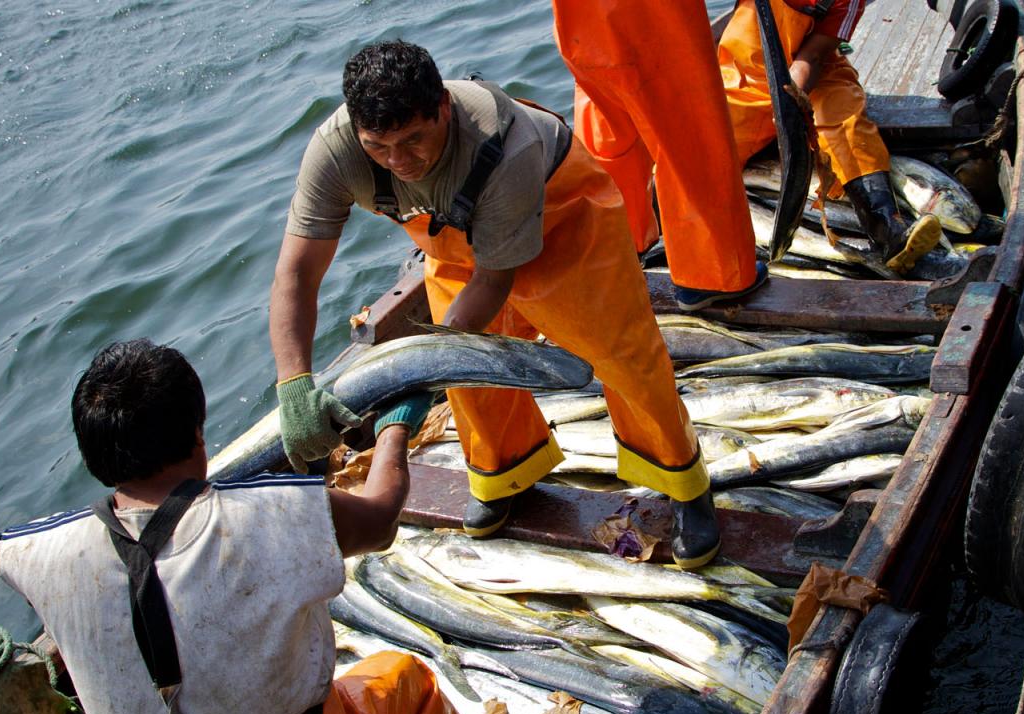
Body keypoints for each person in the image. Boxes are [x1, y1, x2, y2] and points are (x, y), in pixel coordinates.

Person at [269, 40, 722, 568]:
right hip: (455, 240)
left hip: (561, 219)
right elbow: (297, 271)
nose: (399, 162)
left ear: (443, 107)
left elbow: (494, 279)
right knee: (468, 376)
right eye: (379, 148)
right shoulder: (335, 150)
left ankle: (685, 483)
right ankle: (508, 475)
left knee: (623, 355)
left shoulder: (506, 145)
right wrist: (293, 383)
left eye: (414, 140)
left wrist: (423, 373)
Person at [0, 339, 485, 714]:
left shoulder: (34, 555)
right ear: (198, 435)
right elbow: (379, 521)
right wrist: (395, 429)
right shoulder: (271, 512)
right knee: (406, 685)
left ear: (96, 460)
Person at [550, 1, 768, 311]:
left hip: (580, 24)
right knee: (690, 137)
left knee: (611, 131)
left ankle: (621, 253)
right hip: (650, 20)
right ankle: (711, 277)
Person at [717, 0, 942, 273]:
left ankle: (887, 227)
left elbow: (813, 56)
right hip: (745, 75)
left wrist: (792, 98)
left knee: (847, 125)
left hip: (814, 69)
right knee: (709, 152)